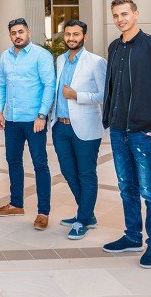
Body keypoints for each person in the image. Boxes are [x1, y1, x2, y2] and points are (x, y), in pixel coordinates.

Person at [101, 0, 151, 269]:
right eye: (116, 15)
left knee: (149, 190)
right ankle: (133, 236)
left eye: (124, 14)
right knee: (126, 187)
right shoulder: (114, 48)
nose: (120, 19)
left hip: (144, 133)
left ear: (136, 14)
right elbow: (112, 87)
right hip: (118, 131)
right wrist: (109, 118)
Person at [0, 18, 55, 230]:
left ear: (28, 32)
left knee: (40, 164)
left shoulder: (41, 55)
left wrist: (42, 115)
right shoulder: (5, 56)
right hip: (11, 119)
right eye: (13, 33)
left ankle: (43, 212)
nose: (17, 35)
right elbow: (1, 85)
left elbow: (49, 86)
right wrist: (0, 111)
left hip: (33, 120)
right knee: (13, 161)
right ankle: (16, 204)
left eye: (21, 31)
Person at [49, 20, 107, 240]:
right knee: (68, 172)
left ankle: (82, 220)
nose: (71, 38)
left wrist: (77, 96)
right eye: (68, 34)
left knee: (86, 173)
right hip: (60, 126)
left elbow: (104, 95)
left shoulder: (96, 62)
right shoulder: (60, 59)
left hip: (85, 127)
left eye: (76, 34)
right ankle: (87, 214)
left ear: (85, 36)